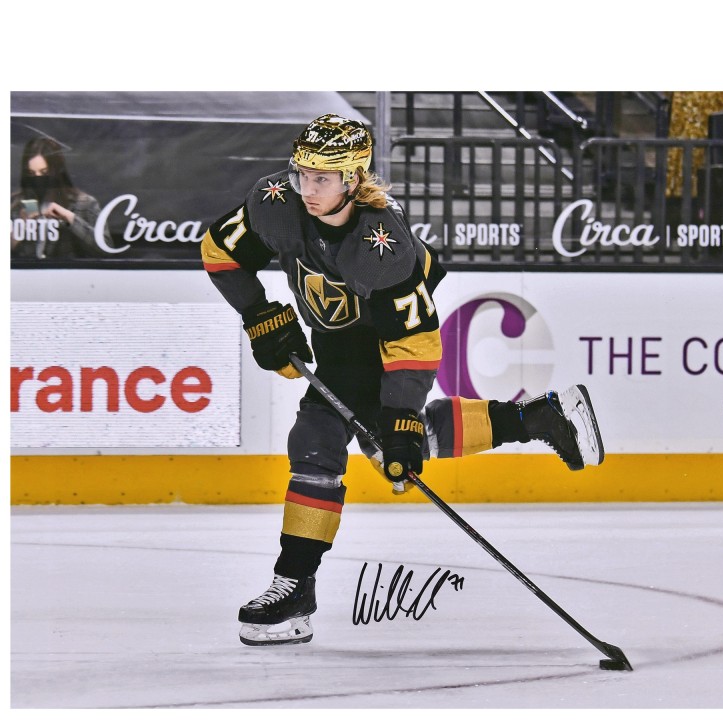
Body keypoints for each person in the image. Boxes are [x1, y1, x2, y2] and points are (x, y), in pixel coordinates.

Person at [201, 114, 605, 646]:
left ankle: (294, 586)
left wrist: (402, 416)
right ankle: (540, 417)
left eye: (323, 178)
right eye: (302, 174)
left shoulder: (381, 245)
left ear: (353, 178)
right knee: (389, 447)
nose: (308, 189)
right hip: (337, 333)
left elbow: (413, 343)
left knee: (323, 439)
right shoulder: (275, 202)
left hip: (382, 332)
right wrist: (259, 315)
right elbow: (219, 251)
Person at [10, 136, 112, 259]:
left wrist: (70, 218)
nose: (38, 179)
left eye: (44, 172)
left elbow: (106, 249)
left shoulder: (83, 204)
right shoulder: (15, 205)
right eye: (32, 173)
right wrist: (20, 228)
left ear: (56, 172)